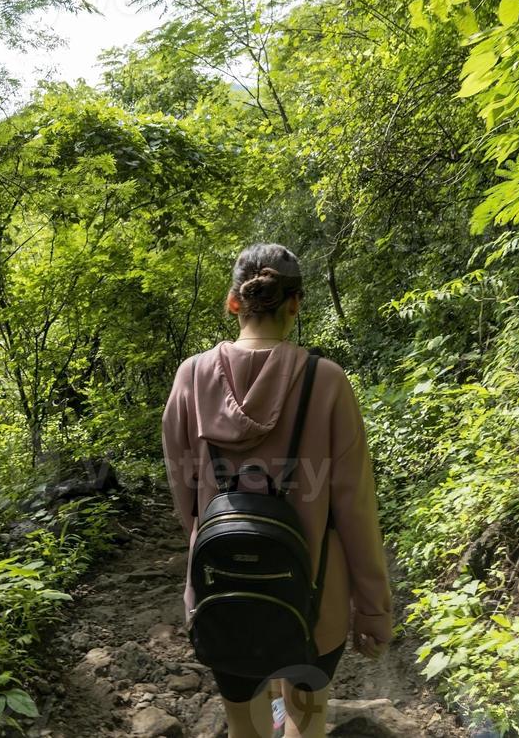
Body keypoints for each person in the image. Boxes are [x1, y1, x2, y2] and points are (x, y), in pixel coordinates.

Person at [161, 243, 393, 738]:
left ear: (233, 303)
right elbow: (355, 507)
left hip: (222, 591)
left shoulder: (190, 377)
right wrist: (372, 609)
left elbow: (186, 497)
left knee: (244, 722)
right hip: (315, 598)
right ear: (295, 303)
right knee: (305, 718)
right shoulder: (326, 381)